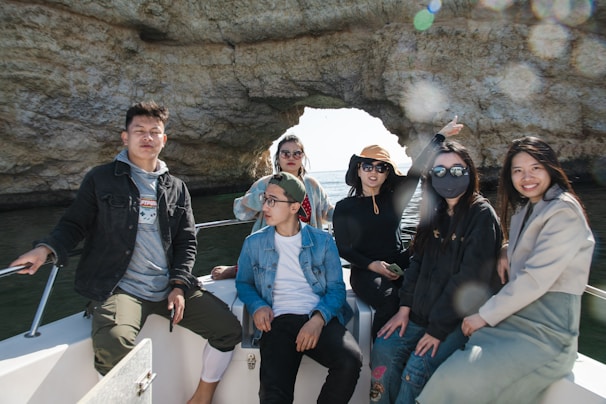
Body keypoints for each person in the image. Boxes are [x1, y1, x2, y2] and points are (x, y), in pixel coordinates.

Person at [10, 101, 242, 404]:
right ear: (125, 137)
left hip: (167, 287)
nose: (147, 137)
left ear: (164, 139)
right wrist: (45, 249)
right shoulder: (101, 179)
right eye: (139, 131)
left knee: (228, 330)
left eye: (154, 132)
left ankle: (200, 398)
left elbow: (187, 241)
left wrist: (179, 285)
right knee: (114, 342)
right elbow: (74, 223)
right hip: (120, 287)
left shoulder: (176, 187)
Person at [417, 136, 595, 404]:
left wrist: (484, 316)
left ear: (550, 168)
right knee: (452, 373)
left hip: (546, 333)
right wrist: (504, 248)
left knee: (459, 378)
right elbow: (535, 246)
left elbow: (534, 279)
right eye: (517, 170)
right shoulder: (529, 209)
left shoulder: (564, 210)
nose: (527, 177)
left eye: (535, 167)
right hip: (516, 320)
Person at [369, 140, 504, 404]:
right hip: (419, 315)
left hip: (455, 322)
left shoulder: (481, 215)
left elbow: (468, 280)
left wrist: (437, 331)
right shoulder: (434, 213)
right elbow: (417, 263)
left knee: (416, 369)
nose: (448, 176)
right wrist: (405, 308)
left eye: (456, 169)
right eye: (439, 171)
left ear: (469, 171)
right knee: (383, 349)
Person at [235, 172, 363, 404]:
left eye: (272, 200)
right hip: (277, 321)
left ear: (294, 207)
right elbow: (244, 282)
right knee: (273, 395)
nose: (265, 206)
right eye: (265, 199)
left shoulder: (322, 241)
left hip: (318, 316)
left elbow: (336, 289)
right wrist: (257, 305)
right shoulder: (253, 243)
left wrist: (317, 320)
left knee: (350, 360)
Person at [332, 117, 463, 337]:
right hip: (365, 271)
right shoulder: (345, 207)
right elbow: (344, 249)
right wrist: (373, 265)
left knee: (429, 289)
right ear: (358, 170)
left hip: (399, 263)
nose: (374, 172)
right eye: (368, 166)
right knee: (390, 300)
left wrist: (440, 137)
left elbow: (417, 168)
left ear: (387, 173)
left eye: (381, 167)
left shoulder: (395, 199)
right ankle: (380, 360)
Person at [211, 133, 333, 280]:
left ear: (303, 157)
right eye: (285, 153)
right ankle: (241, 268)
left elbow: (327, 211)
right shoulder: (265, 183)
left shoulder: (312, 185)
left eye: (297, 153)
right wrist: (266, 197)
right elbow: (240, 211)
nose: (291, 157)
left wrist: (352, 212)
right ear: (278, 157)